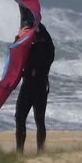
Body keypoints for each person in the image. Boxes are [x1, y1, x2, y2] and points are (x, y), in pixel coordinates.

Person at [15, 8, 55, 154]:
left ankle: (40, 152)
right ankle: (19, 152)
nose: (32, 37)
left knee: (39, 121)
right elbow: (15, 53)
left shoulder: (47, 50)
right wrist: (18, 37)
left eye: (34, 35)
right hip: (27, 86)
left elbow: (48, 41)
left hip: (40, 86)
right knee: (19, 118)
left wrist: (37, 24)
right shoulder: (27, 49)